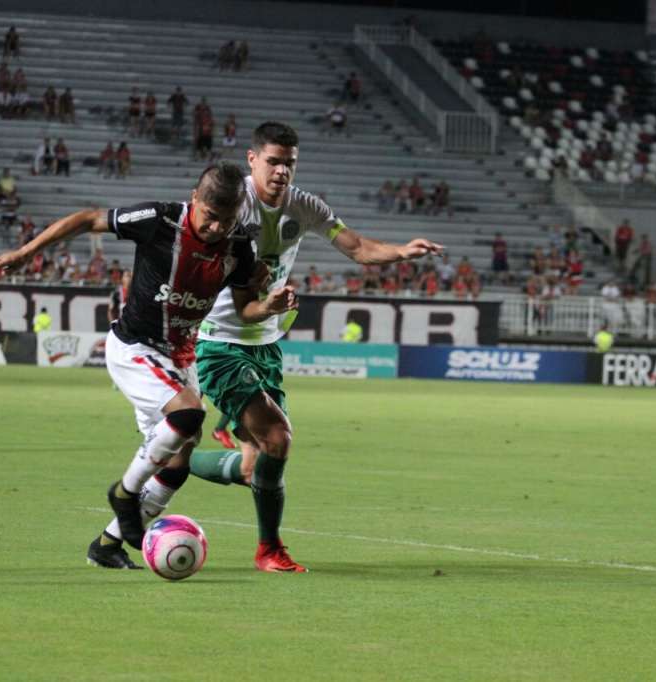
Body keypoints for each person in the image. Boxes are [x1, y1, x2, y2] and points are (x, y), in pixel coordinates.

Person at [147, 121, 442, 572]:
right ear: (252, 160)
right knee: (279, 437)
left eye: (290, 163)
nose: (282, 171)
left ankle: (174, 457)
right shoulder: (232, 203)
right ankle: (270, 550)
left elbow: (358, 246)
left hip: (266, 343)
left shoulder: (305, 206)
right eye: (273, 161)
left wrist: (402, 251)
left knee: (252, 467)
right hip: (220, 340)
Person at [0, 162, 295, 570]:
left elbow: (245, 310)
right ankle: (126, 493)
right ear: (194, 199)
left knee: (178, 464)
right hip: (134, 346)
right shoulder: (159, 219)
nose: (217, 227)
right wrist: (25, 254)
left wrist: (267, 306)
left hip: (182, 356)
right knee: (188, 414)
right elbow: (87, 218)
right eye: (210, 216)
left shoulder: (239, 247)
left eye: (227, 219)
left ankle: (108, 545)